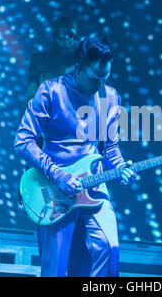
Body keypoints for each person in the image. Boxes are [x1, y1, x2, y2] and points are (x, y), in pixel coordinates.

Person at [14, 37, 136, 277]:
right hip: (55, 190)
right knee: (56, 268)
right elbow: (22, 140)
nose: (99, 84)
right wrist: (58, 175)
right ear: (78, 67)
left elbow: (110, 147)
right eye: (94, 78)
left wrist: (121, 167)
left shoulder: (110, 96)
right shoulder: (50, 90)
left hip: (95, 184)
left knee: (109, 247)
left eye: (105, 77)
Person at [22, 16, 78, 112]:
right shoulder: (40, 60)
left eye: (71, 34)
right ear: (55, 35)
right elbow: (31, 92)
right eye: (64, 34)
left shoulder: (83, 60)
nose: (67, 38)